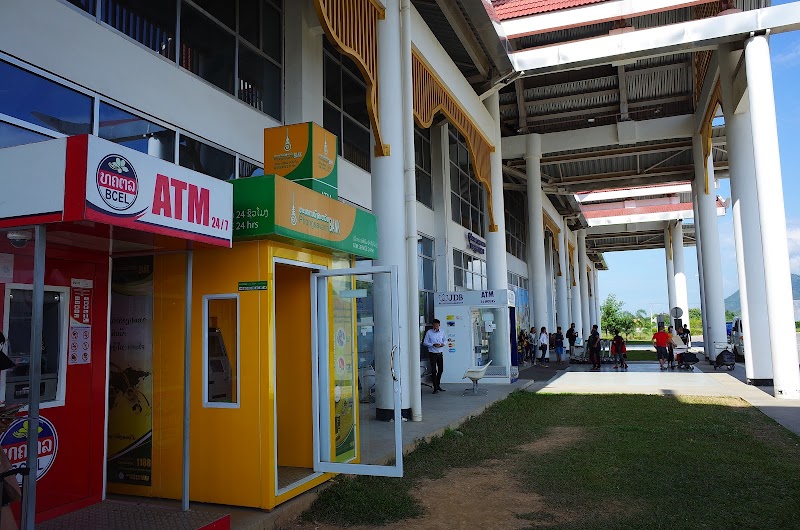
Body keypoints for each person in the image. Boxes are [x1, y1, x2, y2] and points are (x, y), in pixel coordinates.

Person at [422, 319, 446, 393]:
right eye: (434, 326)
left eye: (437, 325)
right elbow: (425, 342)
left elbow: (445, 340)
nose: (435, 327)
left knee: (441, 370)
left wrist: (442, 344)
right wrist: (432, 344)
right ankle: (435, 387)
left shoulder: (442, 332)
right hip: (432, 354)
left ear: (439, 325)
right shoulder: (429, 332)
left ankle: (438, 384)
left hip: (440, 353)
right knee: (433, 370)